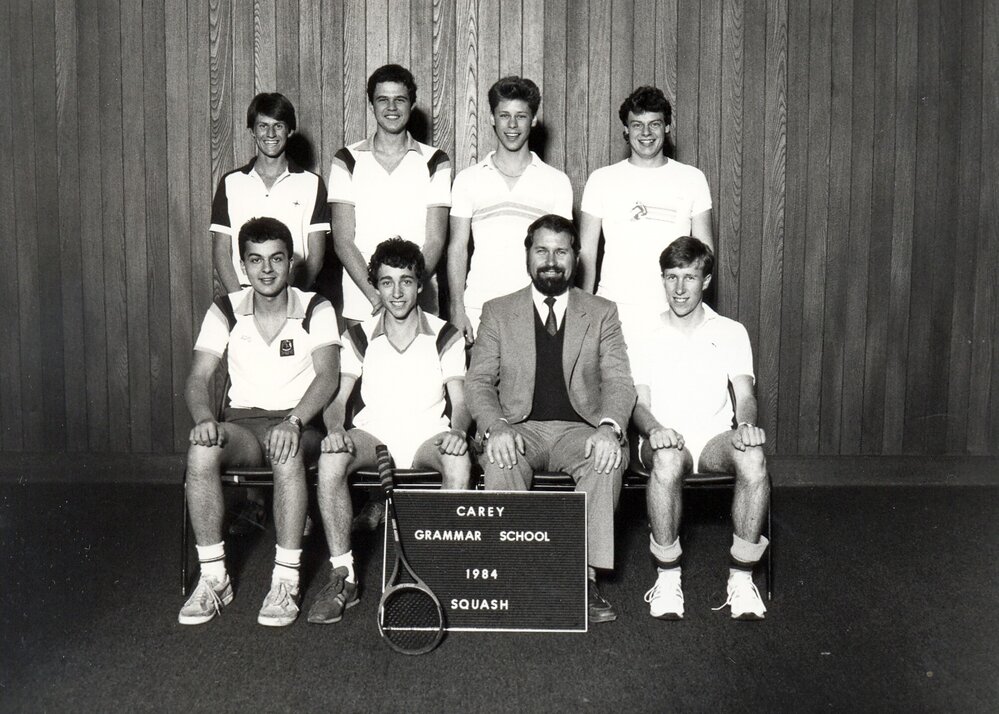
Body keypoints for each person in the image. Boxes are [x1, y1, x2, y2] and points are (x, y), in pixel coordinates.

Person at [465, 214, 636, 624]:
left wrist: (610, 428)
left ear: (575, 258)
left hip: (582, 430)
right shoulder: (498, 311)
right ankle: (514, 576)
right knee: (500, 457)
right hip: (521, 429)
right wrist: (496, 426)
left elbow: (619, 380)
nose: (551, 261)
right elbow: (478, 382)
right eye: (542, 250)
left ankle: (582, 577)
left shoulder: (601, 311)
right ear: (527, 255)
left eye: (561, 252)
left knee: (606, 459)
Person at [179, 217, 340, 627]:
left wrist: (294, 421)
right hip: (244, 428)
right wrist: (203, 419)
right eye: (255, 260)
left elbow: (328, 376)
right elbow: (198, 377)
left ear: (291, 263)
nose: (266, 270)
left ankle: (286, 580)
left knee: (285, 455)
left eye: (276, 259)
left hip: (298, 425)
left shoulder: (316, 306)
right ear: (244, 265)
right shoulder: (225, 308)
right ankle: (214, 577)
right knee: (200, 451)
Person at [307, 238, 471, 624]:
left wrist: (460, 431)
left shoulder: (447, 334)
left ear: (420, 284)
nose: (397, 292)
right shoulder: (359, 335)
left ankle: (439, 574)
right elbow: (337, 398)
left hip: (426, 432)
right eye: (386, 282)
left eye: (406, 281)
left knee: (459, 462)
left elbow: (460, 403)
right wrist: (333, 428)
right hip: (374, 433)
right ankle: (343, 576)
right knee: (330, 460)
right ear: (375, 286)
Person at [210, 93, 331, 534]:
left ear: (290, 131)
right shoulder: (231, 183)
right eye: (263, 126)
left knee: (298, 392)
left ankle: (299, 504)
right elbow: (223, 252)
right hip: (247, 309)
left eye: (279, 126)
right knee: (245, 394)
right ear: (251, 130)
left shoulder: (311, 184)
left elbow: (314, 256)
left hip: (295, 307)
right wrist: (244, 304)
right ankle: (256, 501)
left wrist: (292, 303)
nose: (271, 134)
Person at [630, 236, 769, 621]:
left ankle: (741, 579)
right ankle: (668, 575)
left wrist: (745, 426)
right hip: (661, 438)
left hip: (712, 441)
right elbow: (638, 403)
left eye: (689, 277)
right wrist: (656, 429)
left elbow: (745, 394)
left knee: (753, 457)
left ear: (705, 280)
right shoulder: (643, 333)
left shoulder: (731, 330)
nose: (678, 289)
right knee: (669, 458)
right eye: (671, 277)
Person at [579, 86, 713, 349]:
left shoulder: (692, 179)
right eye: (637, 125)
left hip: (673, 311)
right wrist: (583, 311)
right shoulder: (602, 180)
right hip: (614, 312)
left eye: (654, 124)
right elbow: (586, 254)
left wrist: (688, 306)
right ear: (626, 130)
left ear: (667, 127)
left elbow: (705, 252)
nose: (646, 133)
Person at [448, 76, 573, 343]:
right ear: (492, 118)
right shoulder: (468, 179)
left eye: (521, 116)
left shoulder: (557, 182)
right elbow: (457, 247)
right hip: (479, 307)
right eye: (504, 115)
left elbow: (563, 254)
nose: (512, 125)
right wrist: (458, 309)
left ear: (534, 119)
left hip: (536, 309)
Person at [328, 63, 451, 326]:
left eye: (400, 100)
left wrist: (406, 293)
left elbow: (435, 239)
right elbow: (343, 240)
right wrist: (376, 297)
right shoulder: (346, 159)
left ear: (412, 104)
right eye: (383, 100)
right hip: (363, 300)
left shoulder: (436, 160)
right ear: (372, 105)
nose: (391, 108)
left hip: (420, 299)